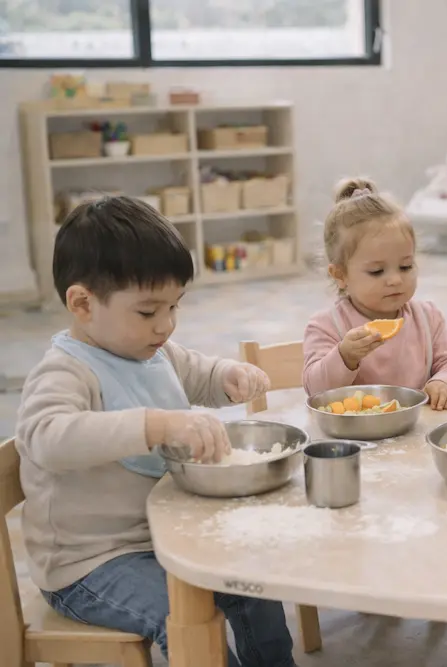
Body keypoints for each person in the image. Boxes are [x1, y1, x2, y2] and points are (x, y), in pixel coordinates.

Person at [15, 197, 295, 666]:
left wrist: (229, 376)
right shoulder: (64, 372)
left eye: (174, 307)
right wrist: (155, 424)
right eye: (148, 312)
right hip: (88, 566)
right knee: (181, 615)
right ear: (82, 303)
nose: (165, 325)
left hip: (165, 538)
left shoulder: (154, 351)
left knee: (252, 582)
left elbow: (198, 373)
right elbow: (46, 436)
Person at [303, 178, 447, 409]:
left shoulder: (428, 318)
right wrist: (345, 357)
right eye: (377, 271)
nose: (395, 280)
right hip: (355, 439)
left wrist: (445, 381)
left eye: (405, 267)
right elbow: (316, 390)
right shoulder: (326, 326)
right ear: (340, 275)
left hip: (417, 433)